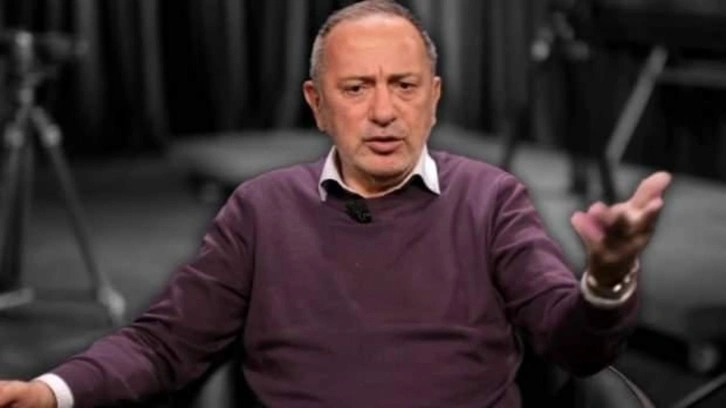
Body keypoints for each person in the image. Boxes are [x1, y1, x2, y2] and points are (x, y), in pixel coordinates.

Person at [0, 1, 671, 407]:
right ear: (317, 105)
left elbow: (574, 345)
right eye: (355, 89)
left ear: (434, 98)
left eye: (404, 85)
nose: (383, 111)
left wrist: (607, 279)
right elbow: (162, 344)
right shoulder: (261, 210)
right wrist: (51, 392)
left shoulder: (491, 199)